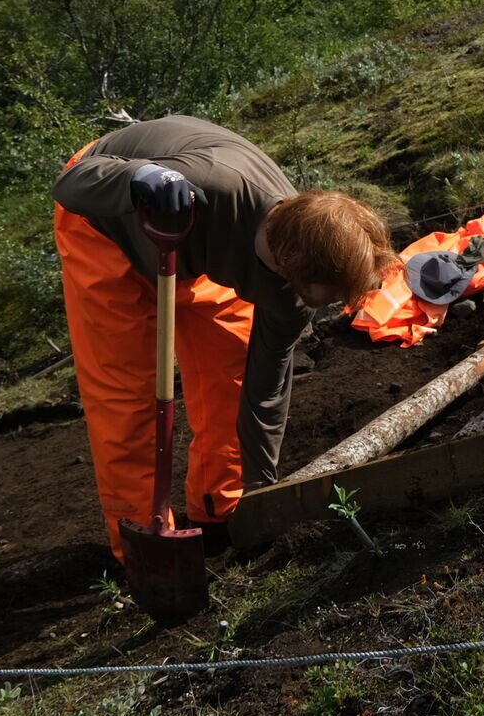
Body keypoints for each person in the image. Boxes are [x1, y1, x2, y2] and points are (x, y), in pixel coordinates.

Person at [52, 115, 395, 560]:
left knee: (229, 380)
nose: (320, 307)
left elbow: (265, 392)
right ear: (288, 265)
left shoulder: (293, 291)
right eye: (324, 296)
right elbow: (70, 184)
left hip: (194, 243)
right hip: (108, 223)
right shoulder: (212, 184)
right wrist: (140, 176)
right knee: (125, 402)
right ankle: (142, 546)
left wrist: (262, 494)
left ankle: (223, 509)